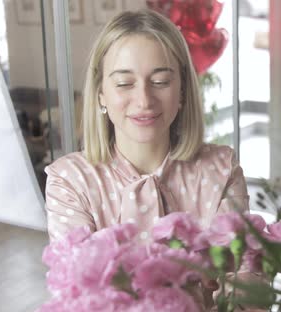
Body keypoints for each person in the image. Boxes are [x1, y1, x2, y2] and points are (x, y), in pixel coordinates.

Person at [44, 9, 249, 243]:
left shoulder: (222, 170)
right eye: (124, 83)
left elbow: (242, 272)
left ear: (182, 90)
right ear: (101, 93)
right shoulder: (70, 181)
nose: (144, 101)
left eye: (160, 82)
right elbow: (74, 277)